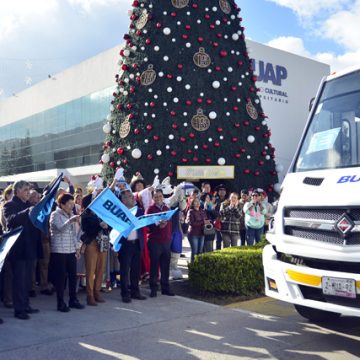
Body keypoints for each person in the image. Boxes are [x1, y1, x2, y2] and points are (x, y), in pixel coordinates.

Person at [3, 180, 42, 320]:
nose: (28, 192)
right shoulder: (9, 205)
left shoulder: (28, 205)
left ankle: (26, 305)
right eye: (25, 190)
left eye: (28, 190)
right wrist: (27, 211)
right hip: (18, 249)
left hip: (29, 247)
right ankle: (19, 310)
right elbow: (11, 221)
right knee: (19, 280)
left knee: (26, 281)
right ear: (17, 191)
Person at [49, 193, 84, 312]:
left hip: (71, 250)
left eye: (72, 203)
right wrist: (70, 221)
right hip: (59, 251)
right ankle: (60, 303)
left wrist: (77, 249)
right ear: (62, 204)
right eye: (68, 204)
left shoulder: (72, 215)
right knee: (61, 278)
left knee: (73, 277)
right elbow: (59, 228)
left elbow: (75, 234)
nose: (71, 206)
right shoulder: (55, 215)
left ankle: (73, 300)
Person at [118, 190, 147, 303]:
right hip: (125, 246)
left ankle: (135, 292)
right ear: (123, 200)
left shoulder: (139, 211)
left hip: (137, 244)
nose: (133, 198)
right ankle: (125, 294)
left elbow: (144, 222)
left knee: (136, 270)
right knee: (125, 271)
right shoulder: (119, 212)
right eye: (130, 197)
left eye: (132, 196)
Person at [81, 193, 109, 306]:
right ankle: (90, 295)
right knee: (90, 270)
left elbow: (110, 226)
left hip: (104, 241)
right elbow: (87, 229)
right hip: (92, 242)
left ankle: (97, 292)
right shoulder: (85, 214)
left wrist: (107, 226)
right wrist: (100, 226)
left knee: (101, 269)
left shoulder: (103, 212)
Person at [146, 189, 174, 298]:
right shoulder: (150, 209)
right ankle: (153, 288)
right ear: (153, 198)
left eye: (160, 196)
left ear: (163, 196)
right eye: (156, 196)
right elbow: (147, 225)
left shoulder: (167, 208)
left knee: (165, 266)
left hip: (166, 241)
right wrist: (157, 225)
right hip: (154, 242)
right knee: (154, 266)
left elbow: (170, 225)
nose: (158, 198)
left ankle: (165, 288)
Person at [0, 185, 14, 309]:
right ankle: (7, 298)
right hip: (7, 240)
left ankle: (11, 297)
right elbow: (6, 224)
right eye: (11, 194)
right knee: (7, 272)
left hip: (13, 242)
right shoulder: (5, 206)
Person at [186, 198, 208, 262]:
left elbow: (205, 220)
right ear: (192, 203)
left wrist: (208, 222)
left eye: (198, 201)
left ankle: (198, 267)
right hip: (193, 234)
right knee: (194, 252)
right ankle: (192, 267)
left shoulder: (202, 211)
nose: (198, 203)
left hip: (202, 233)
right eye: (195, 202)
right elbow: (191, 223)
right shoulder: (191, 211)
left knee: (200, 251)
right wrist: (203, 222)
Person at [214, 184, 227, 250]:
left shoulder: (227, 200)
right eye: (220, 190)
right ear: (218, 192)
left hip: (225, 221)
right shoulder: (215, 200)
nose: (222, 191)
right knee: (218, 239)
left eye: (224, 190)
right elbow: (213, 210)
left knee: (226, 239)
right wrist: (219, 215)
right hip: (217, 221)